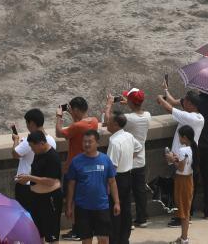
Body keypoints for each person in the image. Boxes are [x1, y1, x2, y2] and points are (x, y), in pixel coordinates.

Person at [157, 87, 204, 228]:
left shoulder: (190, 117)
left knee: (181, 191)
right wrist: (166, 90)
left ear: (191, 104)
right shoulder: (198, 117)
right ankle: (185, 215)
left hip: (182, 159)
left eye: (186, 101)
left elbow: (169, 108)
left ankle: (182, 217)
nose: (184, 103)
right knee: (185, 191)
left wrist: (160, 99)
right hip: (188, 157)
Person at [64, 130, 119, 244]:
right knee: (86, 241)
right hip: (82, 208)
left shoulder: (105, 159)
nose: (87, 144)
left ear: (97, 143)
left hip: (102, 207)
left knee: (104, 240)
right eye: (84, 141)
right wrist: (68, 206)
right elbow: (71, 185)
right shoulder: (76, 161)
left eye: (90, 141)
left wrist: (117, 202)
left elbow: (112, 182)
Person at [57, 97, 100, 241]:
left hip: (73, 167)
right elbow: (78, 127)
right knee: (82, 199)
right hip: (87, 165)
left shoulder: (77, 126)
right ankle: (81, 228)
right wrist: (73, 115)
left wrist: (59, 116)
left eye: (71, 109)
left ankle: (77, 231)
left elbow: (59, 133)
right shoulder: (94, 121)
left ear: (75, 109)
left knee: (73, 200)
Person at [16, 130, 63, 243]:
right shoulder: (38, 154)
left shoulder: (53, 157)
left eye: (33, 147)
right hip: (36, 198)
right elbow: (36, 172)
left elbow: (50, 181)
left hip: (50, 199)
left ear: (41, 143)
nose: (32, 150)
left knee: (51, 233)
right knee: (37, 231)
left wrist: (29, 178)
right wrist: (24, 178)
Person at [104, 107, 142, 244]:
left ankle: (115, 240)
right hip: (127, 176)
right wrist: (127, 160)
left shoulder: (114, 142)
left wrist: (108, 186)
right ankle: (124, 239)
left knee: (115, 211)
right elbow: (139, 148)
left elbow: (112, 168)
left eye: (109, 121)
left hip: (117, 180)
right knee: (126, 210)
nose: (106, 123)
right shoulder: (128, 136)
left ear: (115, 124)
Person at [13, 109, 57, 213]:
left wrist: (16, 140)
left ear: (32, 123)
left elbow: (15, 154)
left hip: (25, 185)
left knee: (25, 215)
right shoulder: (51, 141)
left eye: (27, 123)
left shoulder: (28, 141)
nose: (27, 126)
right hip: (41, 185)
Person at [120, 88, 152, 229]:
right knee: (140, 191)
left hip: (128, 160)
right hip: (140, 159)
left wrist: (109, 105)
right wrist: (129, 103)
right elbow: (137, 111)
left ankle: (128, 221)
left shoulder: (128, 118)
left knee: (125, 192)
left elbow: (111, 122)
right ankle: (142, 218)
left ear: (131, 102)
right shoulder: (148, 116)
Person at [166, 125, 198, 244]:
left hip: (182, 181)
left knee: (183, 211)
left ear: (184, 137)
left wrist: (171, 159)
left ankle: (184, 239)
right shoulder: (192, 148)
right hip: (189, 179)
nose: (179, 139)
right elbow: (185, 163)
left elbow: (180, 167)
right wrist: (175, 159)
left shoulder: (183, 150)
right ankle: (183, 237)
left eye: (179, 136)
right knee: (185, 209)